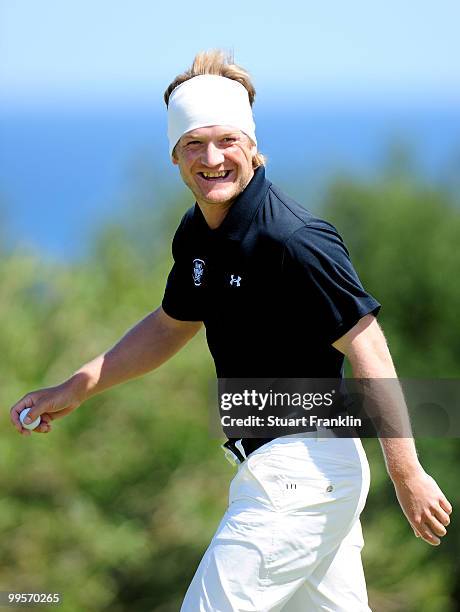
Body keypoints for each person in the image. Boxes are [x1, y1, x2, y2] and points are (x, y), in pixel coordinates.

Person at [10, 50, 452, 611]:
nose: (212, 158)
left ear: (251, 146)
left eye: (226, 141)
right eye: (194, 143)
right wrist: (76, 386)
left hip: (301, 477)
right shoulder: (198, 233)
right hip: (282, 474)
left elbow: (367, 344)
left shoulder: (294, 239)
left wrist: (408, 472)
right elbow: (170, 325)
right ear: (174, 155)